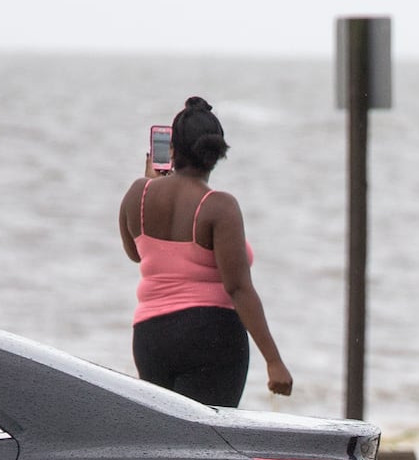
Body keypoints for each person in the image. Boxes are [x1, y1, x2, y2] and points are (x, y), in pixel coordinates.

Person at [118, 96, 292, 407]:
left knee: (166, 444)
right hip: (210, 338)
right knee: (210, 443)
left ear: (172, 150)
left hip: (151, 338)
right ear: (216, 154)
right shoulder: (219, 206)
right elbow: (238, 288)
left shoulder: (137, 194)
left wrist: (151, 183)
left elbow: (136, 253)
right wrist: (274, 361)